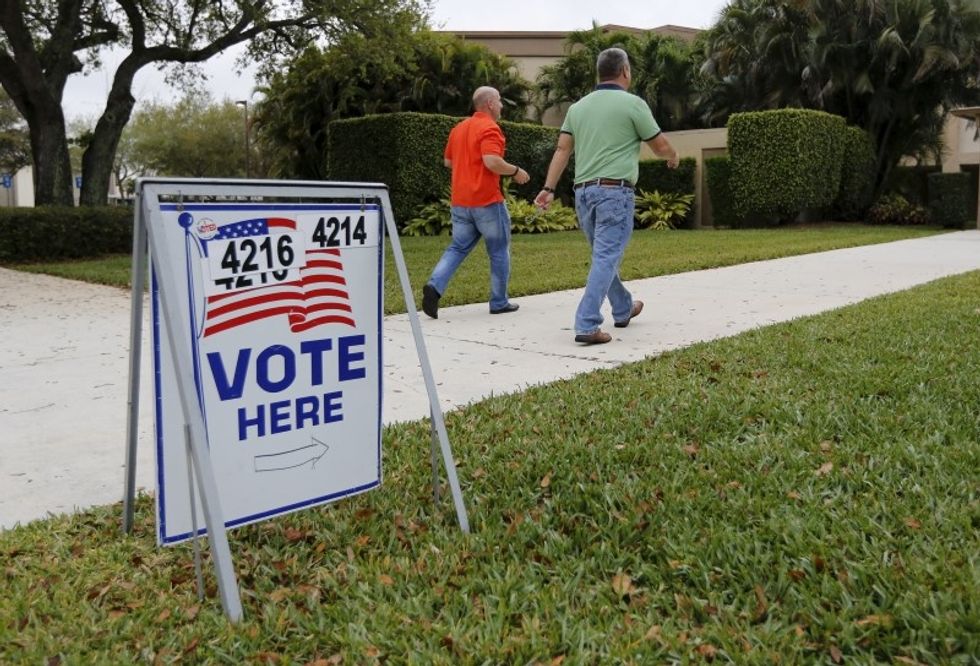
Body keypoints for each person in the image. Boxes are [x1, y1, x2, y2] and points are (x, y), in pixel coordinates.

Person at [534, 47, 679, 345]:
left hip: (583, 194)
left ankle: (623, 307)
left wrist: (548, 188)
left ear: (599, 73)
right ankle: (587, 323)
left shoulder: (578, 108)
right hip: (614, 193)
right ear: (625, 71)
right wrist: (673, 155)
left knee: (603, 256)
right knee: (605, 256)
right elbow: (660, 145)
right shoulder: (633, 104)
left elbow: (562, 150)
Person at [421, 86, 530, 319]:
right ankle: (499, 302)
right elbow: (491, 161)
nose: (501, 105)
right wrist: (516, 171)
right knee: (499, 251)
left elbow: (449, 162)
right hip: (487, 202)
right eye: (499, 101)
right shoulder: (490, 128)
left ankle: (434, 286)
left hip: (460, 203)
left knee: (458, 247)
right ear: (490, 104)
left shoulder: (459, 128)